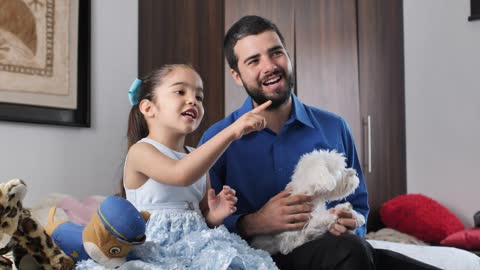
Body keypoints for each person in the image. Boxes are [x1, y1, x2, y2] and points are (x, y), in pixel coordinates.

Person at [199, 16, 441, 270]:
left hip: (338, 251)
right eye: (254, 61)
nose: (269, 66)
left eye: (276, 53)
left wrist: (349, 223)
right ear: (237, 76)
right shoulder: (218, 139)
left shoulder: (334, 127)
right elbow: (202, 223)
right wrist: (253, 222)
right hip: (259, 259)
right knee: (352, 251)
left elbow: (359, 205)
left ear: (288, 56)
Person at [76, 64, 278, 269]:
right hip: (157, 249)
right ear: (148, 108)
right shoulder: (141, 151)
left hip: (197, 247)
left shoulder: (195, 156)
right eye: (180, 91)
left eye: (199, 97)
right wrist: (232, 131)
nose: (192, 100)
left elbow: (202, 213)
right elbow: (180, 173)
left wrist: (215, 214)